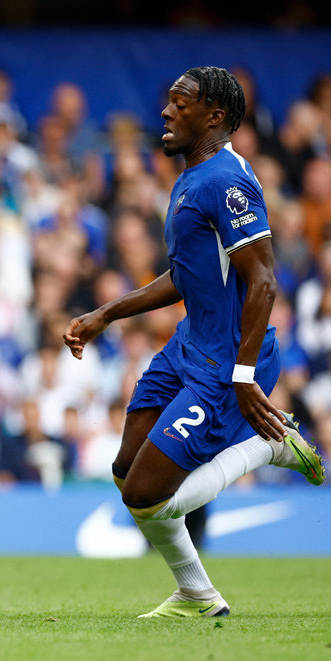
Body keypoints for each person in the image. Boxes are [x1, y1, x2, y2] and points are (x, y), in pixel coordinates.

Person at [63, 66, 325, 618]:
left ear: (215, 118)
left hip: (225, 362)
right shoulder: (192, 175)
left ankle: (272, 445)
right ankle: (197, 595)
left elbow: (265, 280)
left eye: (180, 104)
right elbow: (187, 274)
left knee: (144, 496)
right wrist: (106, 313)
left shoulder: (226, 183)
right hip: (188, 347)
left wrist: (245, 374)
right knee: (124, 471)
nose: (165, 111)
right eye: (168, 101)